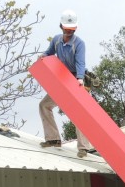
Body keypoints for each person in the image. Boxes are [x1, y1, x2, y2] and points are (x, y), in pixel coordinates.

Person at [38, 9, 93, 158]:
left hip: (76, 80)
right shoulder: (56, 40)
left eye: (72, 29)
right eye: (67, 29)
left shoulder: (79, 43)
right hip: (61, 80)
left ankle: (83, 147)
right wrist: (43, 56)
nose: (69, 32)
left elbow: (80, 62)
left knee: (78, 112)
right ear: (61, 27)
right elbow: (49, 52)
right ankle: (53, 139)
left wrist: (80, 78)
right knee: (44, 105)